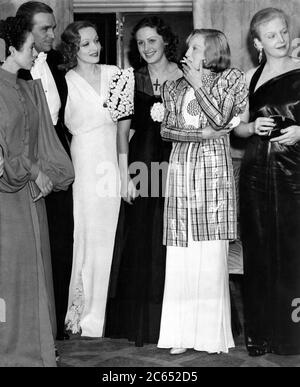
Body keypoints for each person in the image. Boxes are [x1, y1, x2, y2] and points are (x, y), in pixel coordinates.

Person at [157, 29, 248, 355]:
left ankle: (211, 335)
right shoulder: (172, 86)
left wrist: (198, 84)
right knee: (182, 254)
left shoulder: (231, 79)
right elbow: (166, 130)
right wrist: (200, 135)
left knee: (210, 254)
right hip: (181, 169)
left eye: (195, 46)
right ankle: (179, 334)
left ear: (213, 51)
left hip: (213, 173)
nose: (187, 49)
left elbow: (223, 120)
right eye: (189, 44)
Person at [0, 16, 74, 367]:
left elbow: (40, 140)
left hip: (30, 194)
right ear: (11, 48)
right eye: (30, 48)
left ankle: (36, 345)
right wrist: (31, 171)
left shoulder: (28, 86)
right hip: (6, 195)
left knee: (36, 272)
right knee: (9, 275)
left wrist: (44, 174)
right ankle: (10, 350)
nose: (36, 54)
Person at [105, 17, 182, 347]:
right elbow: (122, 134)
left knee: (175, 242)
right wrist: (125, 178)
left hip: (180, 164)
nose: (147, 48)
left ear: (165, 40)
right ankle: (144, 324)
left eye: (153, 40)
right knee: (143, 241)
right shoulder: (127, 79)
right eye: (140, 43)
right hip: (142, 166)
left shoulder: (187, 75)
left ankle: (177, 323)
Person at [234, 8, 300, 356]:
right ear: (257, 42)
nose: (281, 40)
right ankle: (260, 334)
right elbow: (237, 127)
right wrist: (250, 128)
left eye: (284, 32)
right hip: (257, 171)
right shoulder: (249, 78)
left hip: (295, 172)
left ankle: (292, 336)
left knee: (293, 251)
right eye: (272, 35)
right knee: (258, 253)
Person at [61, 21, 133, 338]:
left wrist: (124, 170)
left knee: (112, 233)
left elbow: (125, 130)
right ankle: (84, 309)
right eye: (85, 44)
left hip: (112, 158)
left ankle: (109, 313)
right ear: (73, 48)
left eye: (96, 42)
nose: (94, 48)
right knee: (86, 232)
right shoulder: (64, 81)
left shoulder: (117, 75)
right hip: (83, 162)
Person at [17, 1, 74, 341]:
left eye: (53, 27)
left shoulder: (57, 63)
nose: (52, 34)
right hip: (25, 163)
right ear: (26, 31)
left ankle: (54, 325)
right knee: (29, 243)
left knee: (61, 239)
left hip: (59, 158)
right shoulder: (9, 70)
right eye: (44, 29)